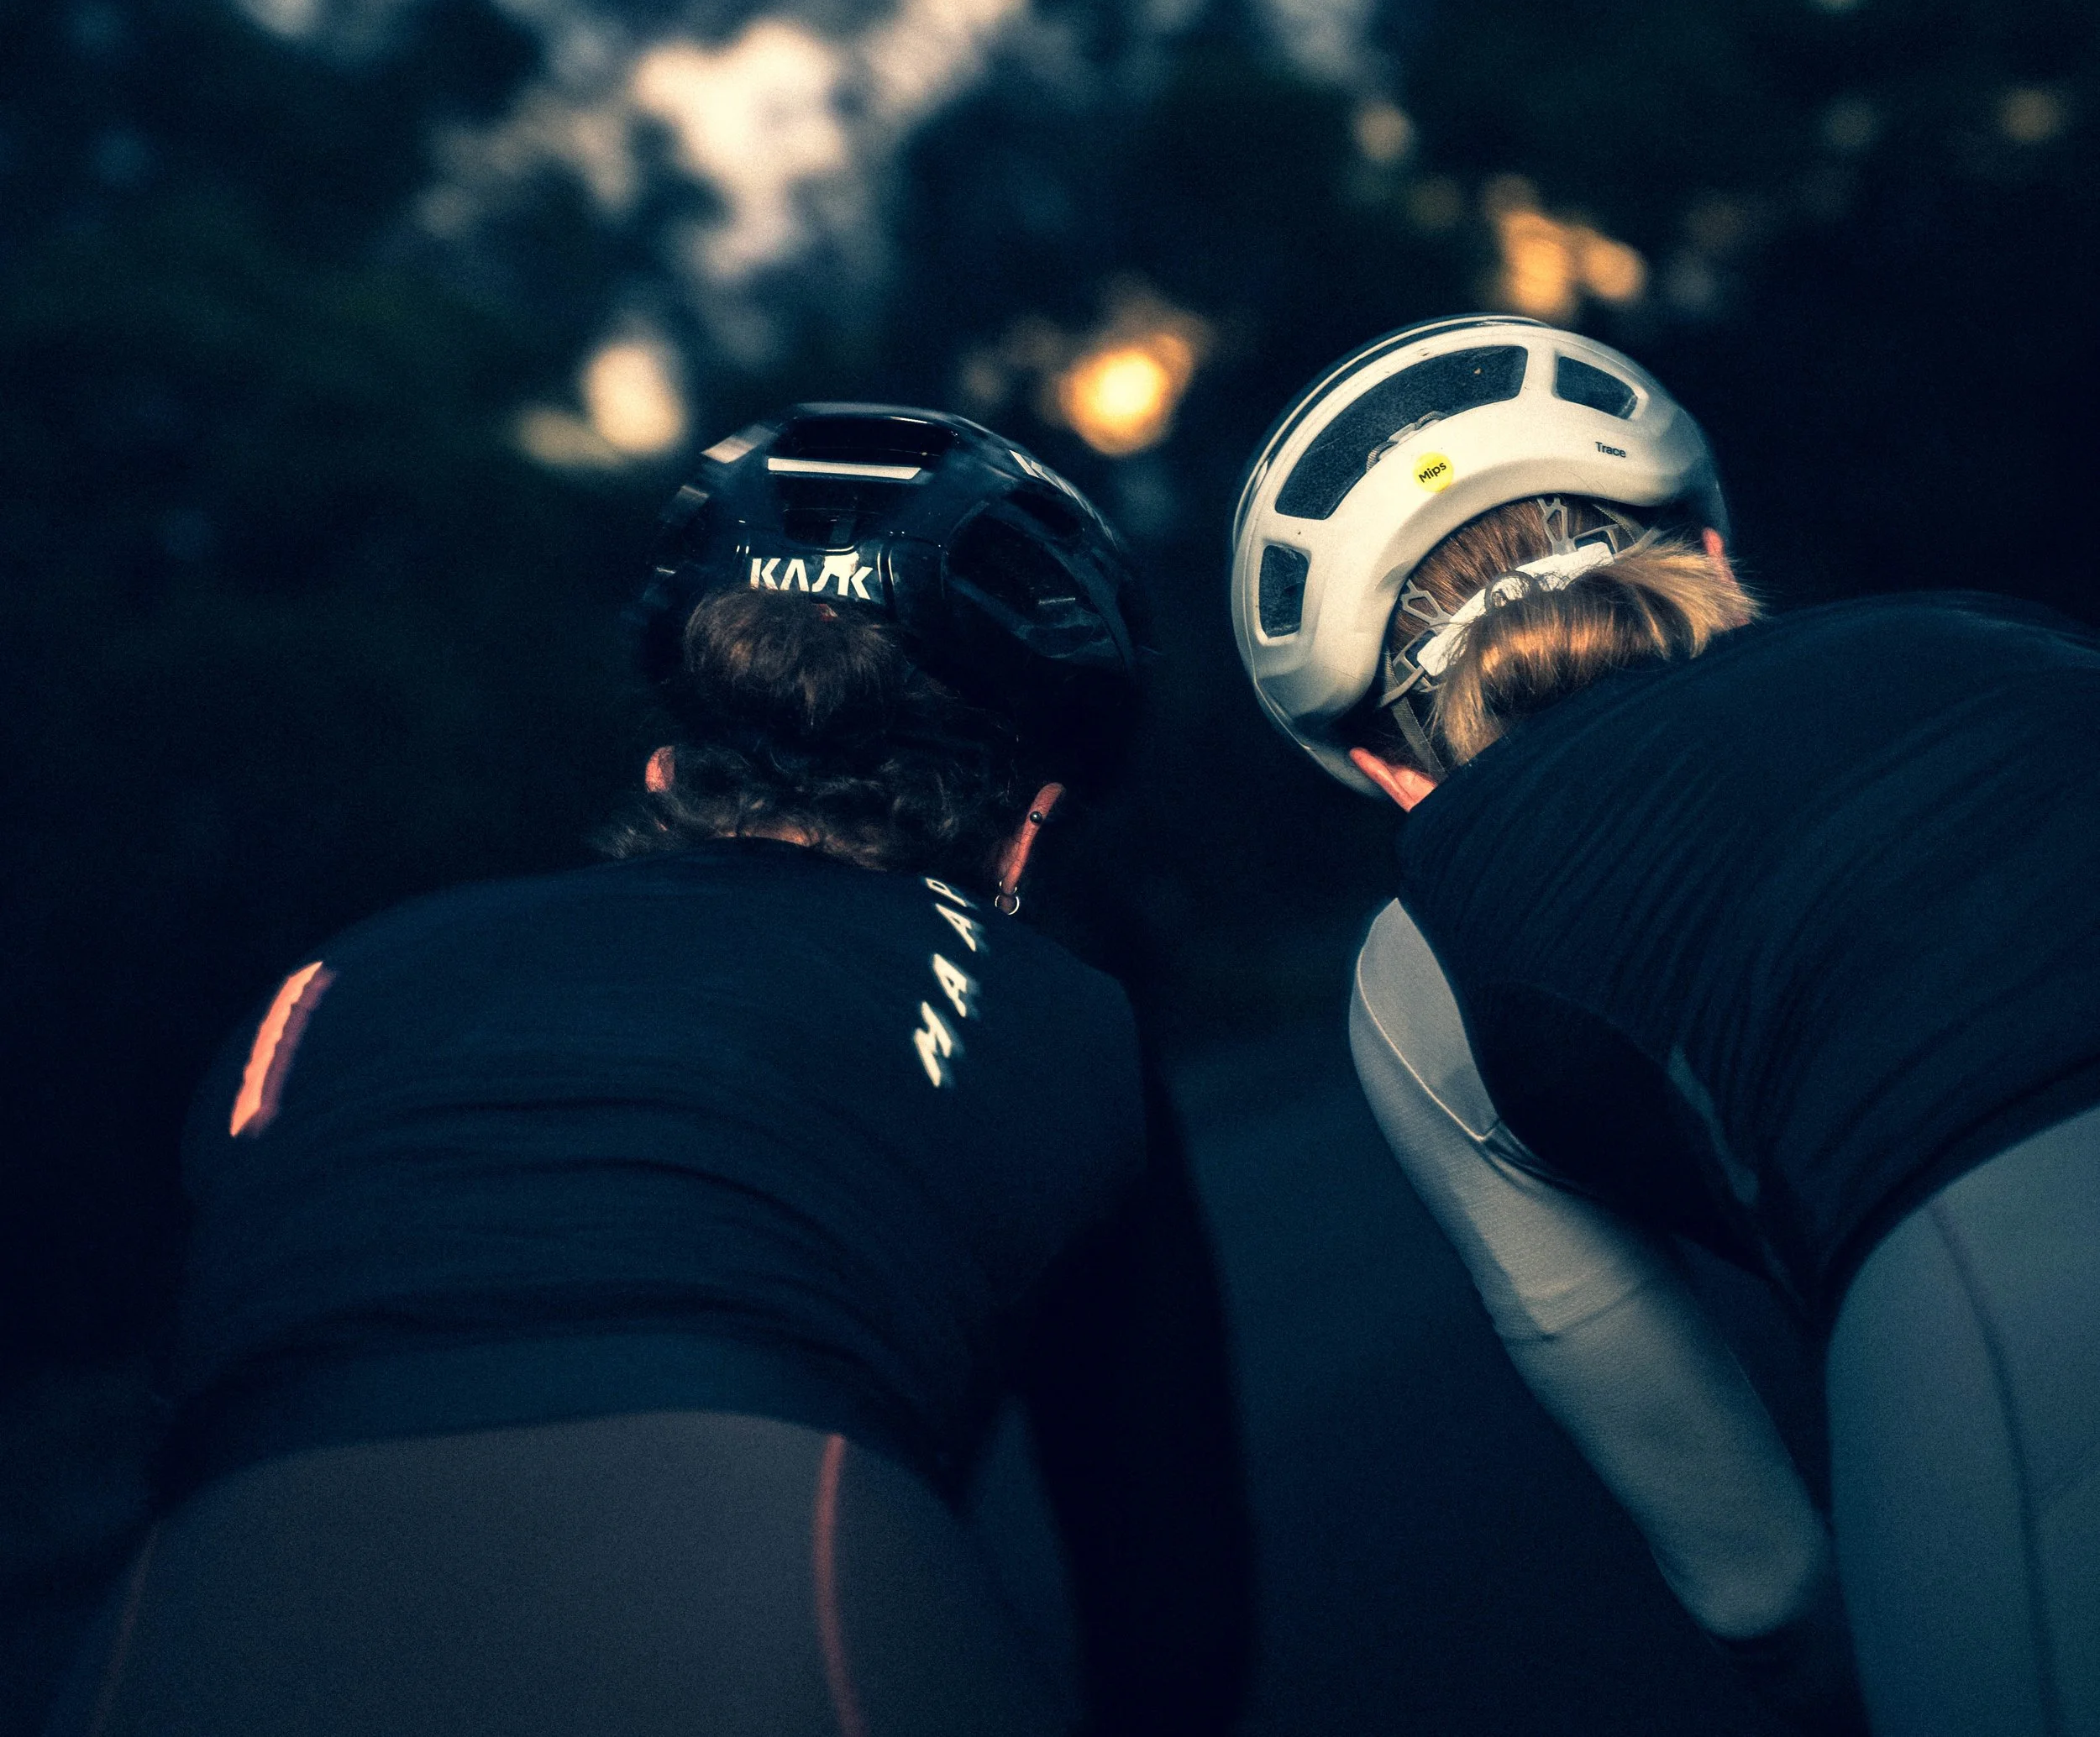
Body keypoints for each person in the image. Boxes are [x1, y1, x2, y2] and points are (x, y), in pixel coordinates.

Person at [52, 403, 1251, 1737]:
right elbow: (1171, 1593)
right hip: (767, 1595)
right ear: (1028, 837)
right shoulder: (1059, 1010)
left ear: (667, 770)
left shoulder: (327, 985)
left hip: (195, 1630)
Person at [1230, 316, 2100, 1737]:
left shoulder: (1422, 948)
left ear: (1388, 771)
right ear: (1709, 560)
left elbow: (1760, 1580)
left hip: (2010, 1311)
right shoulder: (1993, 626)